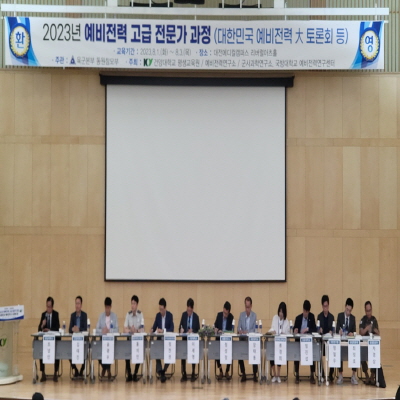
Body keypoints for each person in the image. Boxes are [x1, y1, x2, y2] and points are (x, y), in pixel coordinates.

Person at [151, 298, 174, 383]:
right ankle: (161, 371)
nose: (160, 311)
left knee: (171, 352)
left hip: (168, 341)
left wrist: (163, 331)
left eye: (162, 309)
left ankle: (163, 370)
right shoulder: (158, 316)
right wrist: (152, 330)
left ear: (165, 308)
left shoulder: (170, 315)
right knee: (156, 351)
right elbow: (154, 327)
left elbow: (171, 329)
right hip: (160, 340)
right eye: (159, 309)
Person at [293, 300, 316, 384]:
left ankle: (312, 374)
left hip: (308, 342)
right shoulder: (298, 318)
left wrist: (307, 329)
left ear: (309, 311)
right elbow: (294, 329)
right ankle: (297, 374)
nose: (305, 313)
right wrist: (295, 330)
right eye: (304, 311)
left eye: (307, 312)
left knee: (312, 353)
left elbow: (314, 329)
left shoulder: (312, 317)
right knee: (296, 352)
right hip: (299, 341)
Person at [38, 296, 60, 382]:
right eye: (47, 306)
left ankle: (55, 372)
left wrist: (49, 330)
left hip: (54, 340)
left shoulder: (56, 314)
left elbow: (57, 328)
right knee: (41, 351)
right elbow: (39, 329)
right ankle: (43, 373)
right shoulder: (43, 315)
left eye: (50, 306)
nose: (48, 308)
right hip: (46, 340)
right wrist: (42, 325)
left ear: (52, 307)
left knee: (57, 351)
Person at [96, 297, 119, 379]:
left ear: (111, 307)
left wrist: (109, 331)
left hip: (111, 340)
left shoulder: (114, 316)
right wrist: (102, 331)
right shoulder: (101, 316)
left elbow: (117, 329)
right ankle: (106, 368)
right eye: (106, 307)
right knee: (96, 351)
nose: (107, 309)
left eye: (108, 307)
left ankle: (105, 369)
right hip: (102, 340)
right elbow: (97, 329)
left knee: (109, 350)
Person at [336, 297, 357, 385]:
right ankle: (340, 375)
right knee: (339, 351)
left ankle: (353, 375)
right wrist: (339, 331)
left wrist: (352, 334)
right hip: (342, 341)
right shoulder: (340, 316)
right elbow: (337, 329)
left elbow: (355, 331)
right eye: (347, 310)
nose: (348, 312)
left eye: (350, 311)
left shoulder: (353, 318)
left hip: (350, 343)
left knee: (355, 350)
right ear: (345, 307)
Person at [179, 298, 200, 382]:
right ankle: (183, 373)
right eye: (187, 310)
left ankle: (193, 373)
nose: (188, 312)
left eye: (190, 311)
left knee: (193, 354)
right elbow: (180, 328)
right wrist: (181, 330)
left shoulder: (196, 317)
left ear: (193, 309)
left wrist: (193, 330)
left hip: (193, 340)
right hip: (185, 339)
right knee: (183, 354)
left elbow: (198, 330)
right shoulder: (183, 315)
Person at [359, 300, 380, 385]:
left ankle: (372, 375)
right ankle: (366, 375)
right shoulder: (363, 320)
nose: (369, 312)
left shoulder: (374, 320)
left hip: (372, 344)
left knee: (375, 354)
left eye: (370, 310)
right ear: (365, 310)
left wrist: (373, 330)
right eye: (367, 311)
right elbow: (361, 332)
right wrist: (366, 328)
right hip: (364, 344)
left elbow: (378, 333)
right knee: (361, 355)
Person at [268, 301, 290, 383]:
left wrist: (284, 334)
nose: (280, 314)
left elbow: (288, 333)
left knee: (280, 353)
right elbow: (271, 328)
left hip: (281, 343)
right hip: (273, 341)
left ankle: (278, 374)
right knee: (271, 353)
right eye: (280, 311)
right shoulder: (275, 318)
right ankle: (274, 375)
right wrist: (272, 331)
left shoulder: (287, 321)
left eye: (282, 312)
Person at [237, 296, 258, 382]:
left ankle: (255, 374)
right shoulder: (242, 315)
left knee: (255, 352)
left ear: (251, 306)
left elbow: (254, 329)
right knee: (239, 353)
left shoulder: (254, 315)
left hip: (251, 340)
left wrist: (247, 332)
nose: (247, 309)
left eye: (248, 307)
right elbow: (238, 328)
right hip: (243, 339)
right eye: (246, 307)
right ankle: (243, 373)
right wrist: (240, 331)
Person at [124, 295, 144, 382]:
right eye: (131, 303)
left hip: (138, 340)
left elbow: (142, 329)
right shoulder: (128, 314)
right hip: (129, 339)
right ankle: (129, 374)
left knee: (139, 353)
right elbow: (124, 329)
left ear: (137, 305)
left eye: (134, 304)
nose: (132, 305)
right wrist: (130, 330)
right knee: (126, 354)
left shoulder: (140, 314)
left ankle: (135, 373)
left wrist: (136, 330)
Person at [214, 301, 234, 380]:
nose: (225, 315)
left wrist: (224, 331)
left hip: (227, 339)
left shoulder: (231, 317)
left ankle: (227, 371)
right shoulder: (219, 315)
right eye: (224, 313)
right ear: (223, 309)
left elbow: (231, 330)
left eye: (226, 314)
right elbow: (215, 325)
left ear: (229, 312)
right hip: (219, 339)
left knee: (230, 351)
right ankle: (221, 371)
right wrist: (216, 329)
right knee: (216, 352)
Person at [69, 296, 88, 378]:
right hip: (74, 341)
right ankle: (75, 370)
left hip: (82, 341)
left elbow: (85, 329)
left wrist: (79, 329)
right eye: (76, 303)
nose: (77, 305)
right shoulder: (72, 315)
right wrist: (73, 329)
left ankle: (82, 370)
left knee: (86, 352)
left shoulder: (84, 315)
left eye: (78, 303)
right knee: (68, 353)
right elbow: (70, 329)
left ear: (81, 305)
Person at [317, 295, 335, 382]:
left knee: (333, 352)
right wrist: (319, 330)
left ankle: (331, 374)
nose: (326, 308)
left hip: (330, 341)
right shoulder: (319, 316)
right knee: (319, 352)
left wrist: (332, 331)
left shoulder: (332, 317)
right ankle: (322, 373)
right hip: (322, 341)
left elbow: (333, 329)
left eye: (327, 306)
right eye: (324, 306)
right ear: (322, 306)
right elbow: (317, 329)